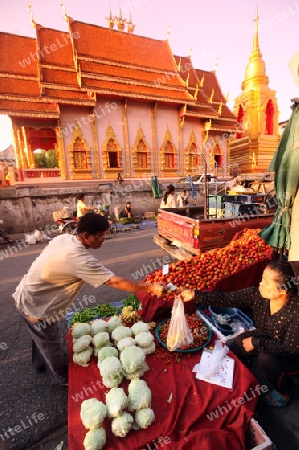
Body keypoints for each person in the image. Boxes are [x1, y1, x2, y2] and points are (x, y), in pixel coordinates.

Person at [12, 212, 165, 386]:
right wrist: (149, 287)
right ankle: (62, 377)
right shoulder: (79, 259)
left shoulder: (65, 239)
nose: (103, 240)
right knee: (50, 341)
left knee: (40, 335)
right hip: (36, 305)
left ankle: (40, 364)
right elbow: (114, 281)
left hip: (30, 293)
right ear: (86, 235)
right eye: (100, 236)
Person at [180, 260, 299, 408]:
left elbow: (290, 349)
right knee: (237, 343)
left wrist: (256, 342)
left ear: (282, 290)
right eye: (262, 279)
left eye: (267, 282)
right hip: (268, 338)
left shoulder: (295, 312)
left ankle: (286, 391)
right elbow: (227, 299)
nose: (261, 284)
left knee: (267, 359)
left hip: (292, 355)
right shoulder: (258, 296)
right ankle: (243, 375)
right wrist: (195, 295)